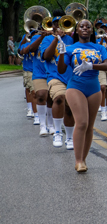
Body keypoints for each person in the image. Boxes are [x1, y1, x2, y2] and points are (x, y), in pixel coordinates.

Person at [58, 19, 107, 172]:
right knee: (81, 123)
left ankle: (84, 159)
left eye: (88, 26)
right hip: (76, 87)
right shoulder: (70, 48)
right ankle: (78, 160)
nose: (85, 28)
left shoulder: (99, 48)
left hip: (94, 88)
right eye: (81, 26)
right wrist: (62, 54)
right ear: (77, 30)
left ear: (92, 31)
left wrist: (91, 66)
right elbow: (61, 70)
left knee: (89, 126)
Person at [40, 12, 75, 149]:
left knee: (69, 108)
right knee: (59, 98)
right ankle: (58, 133)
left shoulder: (71, 40)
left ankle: (70, 138)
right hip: (54, 76)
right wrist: (56, 39)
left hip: (70, 77)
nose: (59, 26)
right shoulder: (47, 40)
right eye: (56, 23)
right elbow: (47, 56)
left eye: (62, 23)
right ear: (53, 26)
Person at [29, 24, 55, 136]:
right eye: (45, 26)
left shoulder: (56, 37)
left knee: (50, 98)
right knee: (40, 94)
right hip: (39, 72)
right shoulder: (36, 37)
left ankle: (51, 124)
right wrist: (42, 37)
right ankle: (42, 126)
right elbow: (31, 49)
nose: (47, 29)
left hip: (52, 72)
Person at [19, 30, 37, 119]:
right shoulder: (26, 38)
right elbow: (20, 51)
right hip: (28, 67)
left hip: (38, 69)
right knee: (29, 88)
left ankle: (38, 109)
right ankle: (30, 108)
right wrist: (26, 37)